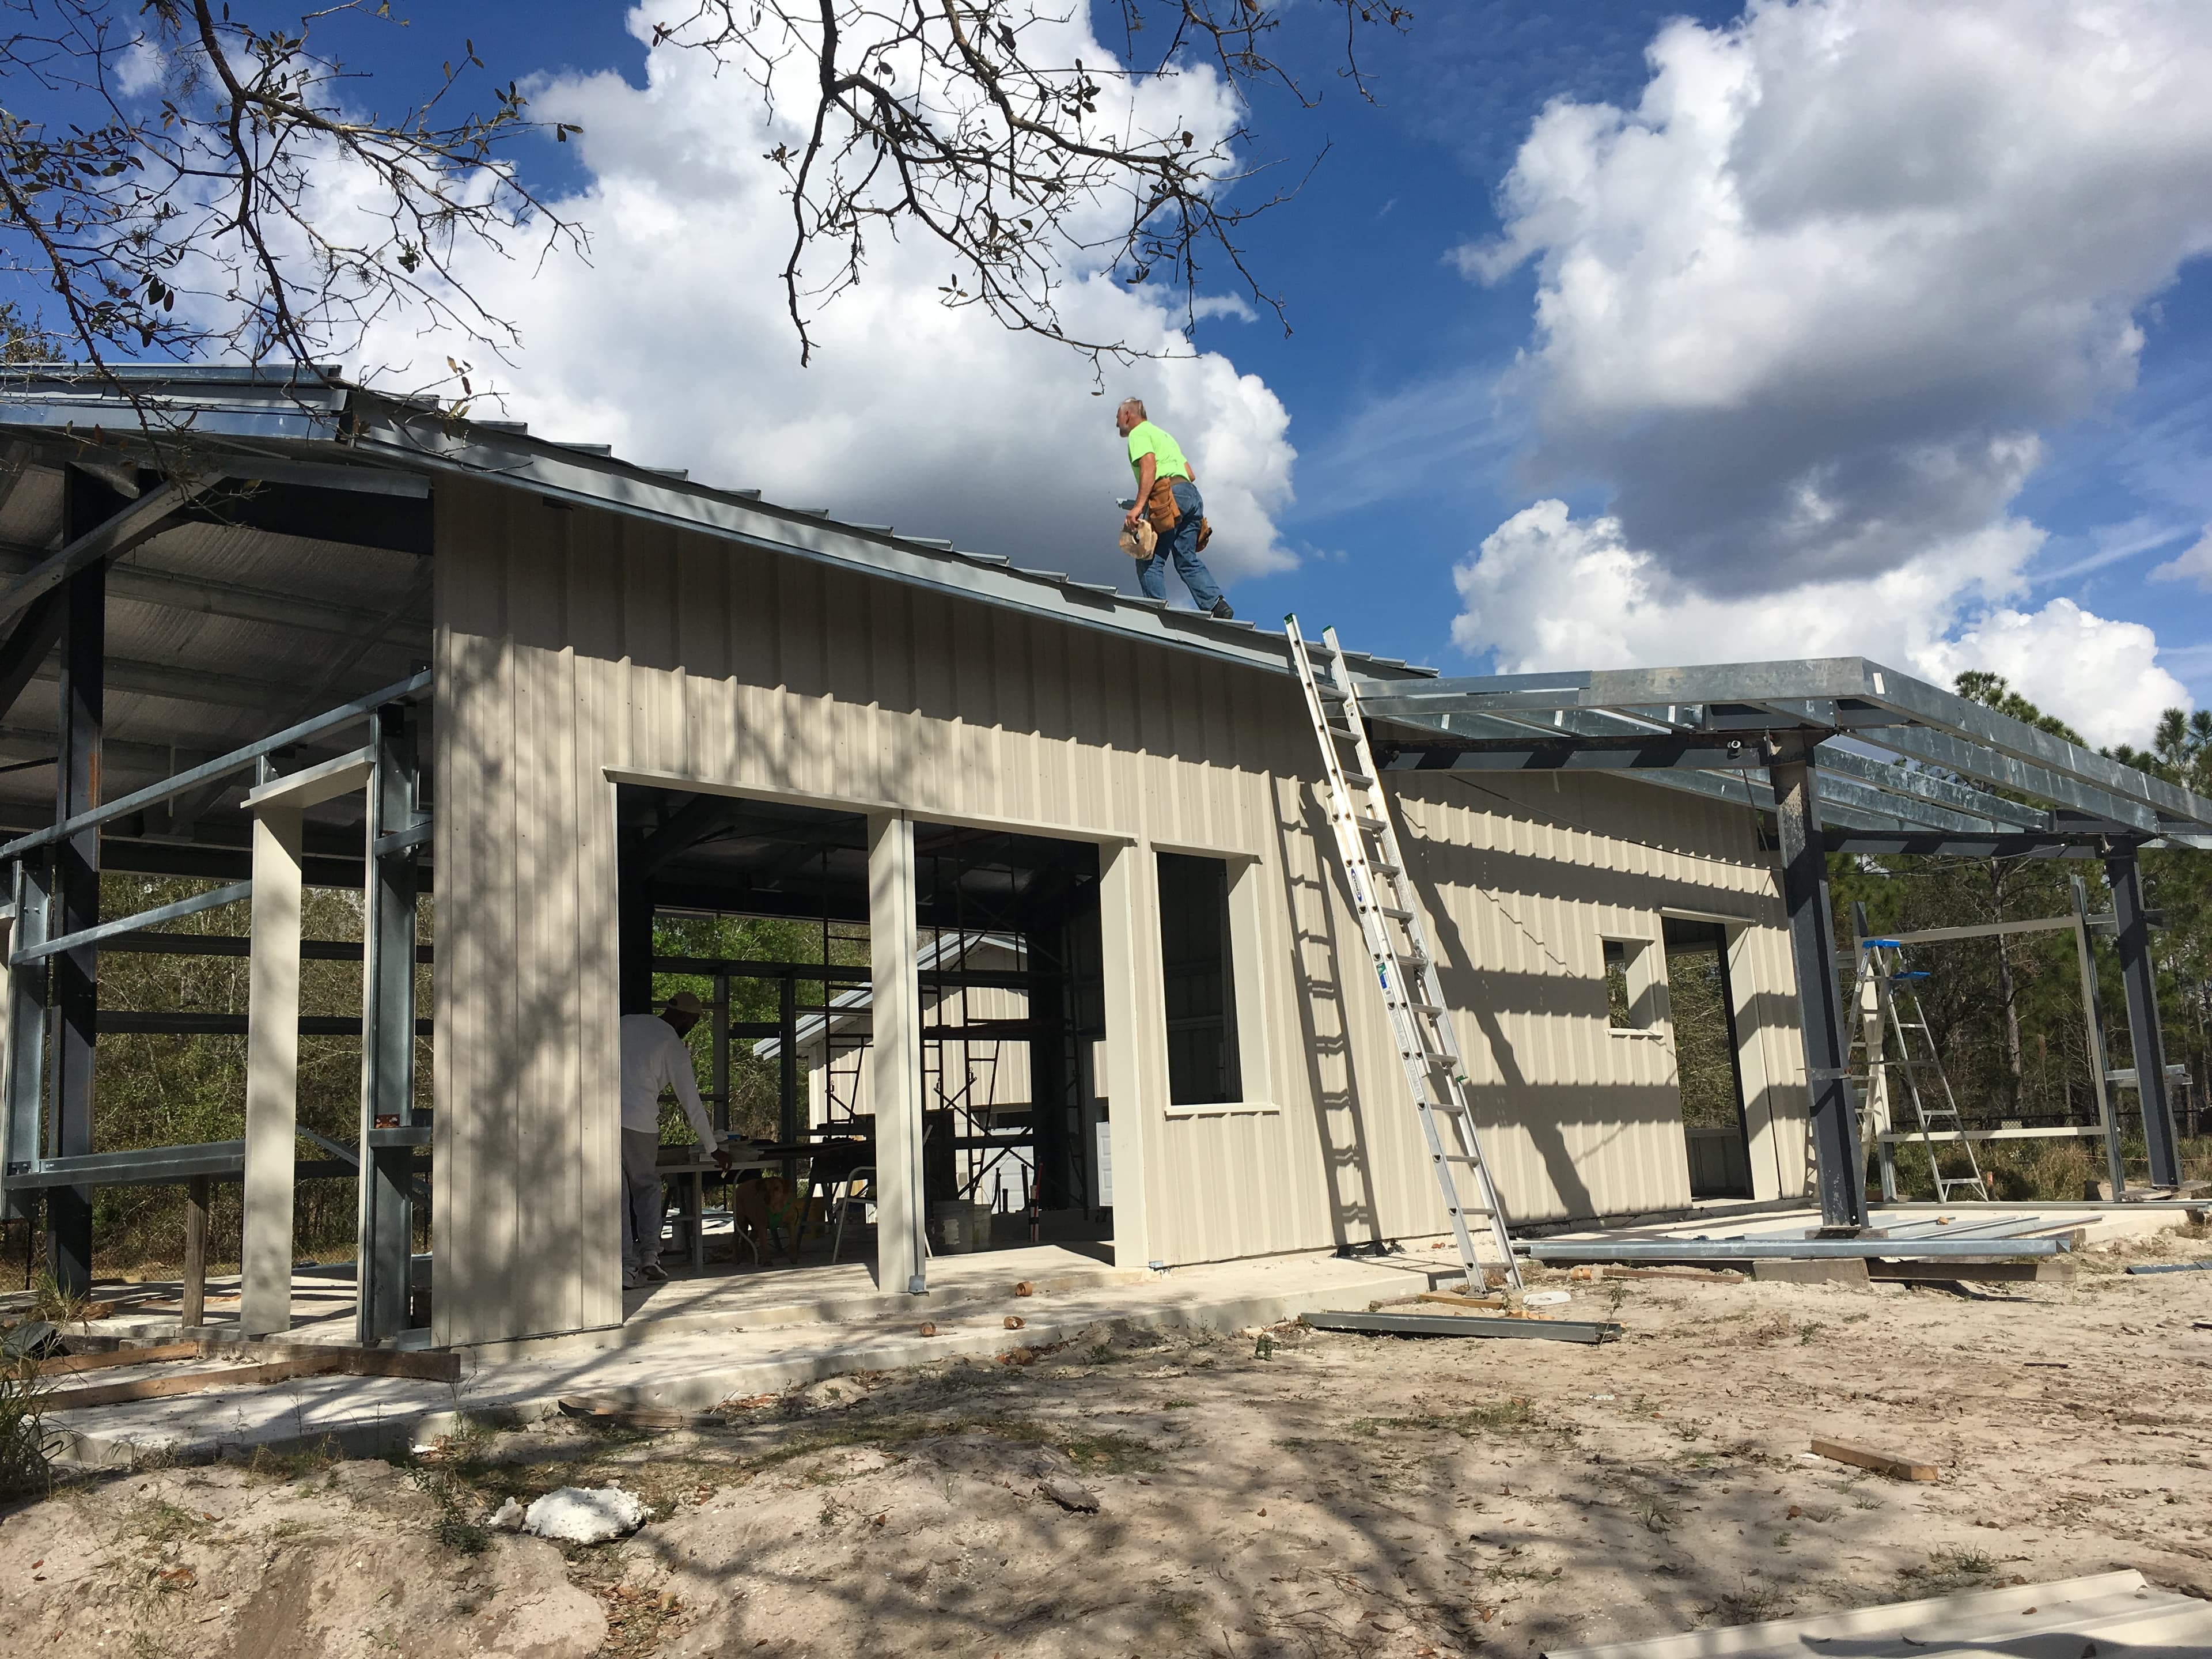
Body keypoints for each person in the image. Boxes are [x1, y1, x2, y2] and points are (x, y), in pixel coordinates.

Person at [619, 991, 729, 1289]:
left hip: (603, 1120)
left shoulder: (625, 1023)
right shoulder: (672, 1045)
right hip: (640, 1124)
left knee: (616, 1193)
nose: (691, 1027)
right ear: (685, 1018)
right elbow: (691, 1103)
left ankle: (624, 1266)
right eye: (693, 1022)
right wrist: (714, 1148)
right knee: (647, 1187)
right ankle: (649, 1255)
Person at [1116, 398, 1233, 619]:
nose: (1117, 424)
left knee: (1148, 557)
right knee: (1186, 558)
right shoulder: (1164, 436)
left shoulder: (1138, 433)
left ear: (1128, 416)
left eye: (1118, 418)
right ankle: (1218, 606)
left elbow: (1149, 465)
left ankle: (1158, 615)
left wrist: (1138, 507)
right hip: (1191, 496)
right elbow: (1190, 474)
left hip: (1169, 497)